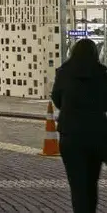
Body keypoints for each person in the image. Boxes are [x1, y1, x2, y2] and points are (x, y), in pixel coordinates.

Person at [52, 38, 107, 213]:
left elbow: (56, 98)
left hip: (70, 135)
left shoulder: (63, 72)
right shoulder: (102, 73)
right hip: (97, 134)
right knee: (92, 181)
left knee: (78, 185)